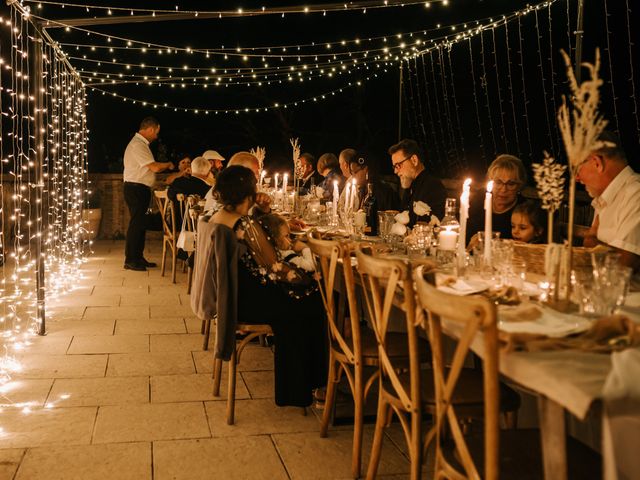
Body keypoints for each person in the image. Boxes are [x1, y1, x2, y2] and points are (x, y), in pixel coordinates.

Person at [191, 165, 326, 407]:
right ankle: (312, 386)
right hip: (248, 300)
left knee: (308, 297)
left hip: (233, 296)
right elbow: (274, 265)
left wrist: (262, 211)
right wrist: (308, 273)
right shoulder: (243, 225)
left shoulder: (218, 217)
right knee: (315, 298)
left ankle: (308, 384)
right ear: (249, 192)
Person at [577, 131, 640, 272]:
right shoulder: (604, 198)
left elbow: (626, 265)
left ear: (597, 163)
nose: (576, 178)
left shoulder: (635, 193)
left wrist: (592, 242)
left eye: (577, 168)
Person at [123, 116, 174, 271]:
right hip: (135, 189)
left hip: (139, 188)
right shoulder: (138, 145)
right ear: (151, 128)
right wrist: (168, 164)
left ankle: (138, 257)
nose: (156, 136)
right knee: (136, 224)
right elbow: (154, 167)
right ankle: (131, 260)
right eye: (156, 132)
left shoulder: (140, 144)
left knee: (140, 224)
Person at [467, 154, 527, 244]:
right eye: (498, 182)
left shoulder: (523, 209)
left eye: (511, 184)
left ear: (519, 186)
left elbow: (522, 246)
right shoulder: (481, 197)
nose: (503, 189)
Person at [388, 139, 447, 226]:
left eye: (398, 165)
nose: (395, 171)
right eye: (394, 167)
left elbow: (435, 226)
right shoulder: (410, 187)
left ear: (414, 160)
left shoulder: (433, 187)